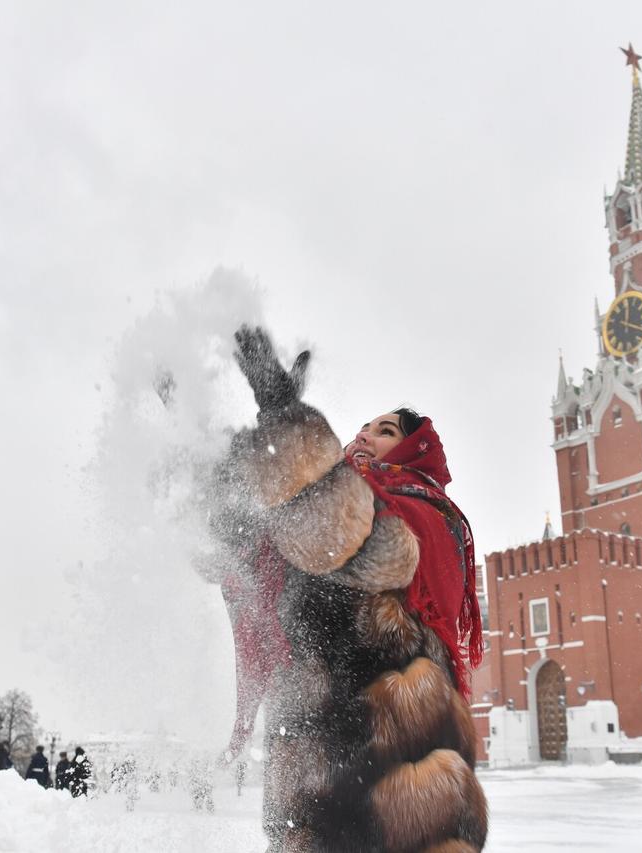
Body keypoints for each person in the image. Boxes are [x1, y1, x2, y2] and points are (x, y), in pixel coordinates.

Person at [208, 327, 487, 852]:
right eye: (360, 426)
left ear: (413, 450)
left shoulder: (423, 515)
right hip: (314, 800)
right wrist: (201, 453)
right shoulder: (321, 512)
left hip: (397, 798)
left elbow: (355, 538)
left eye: (383, 431)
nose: (362, 435)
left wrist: (287, 420)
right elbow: (240, 550)